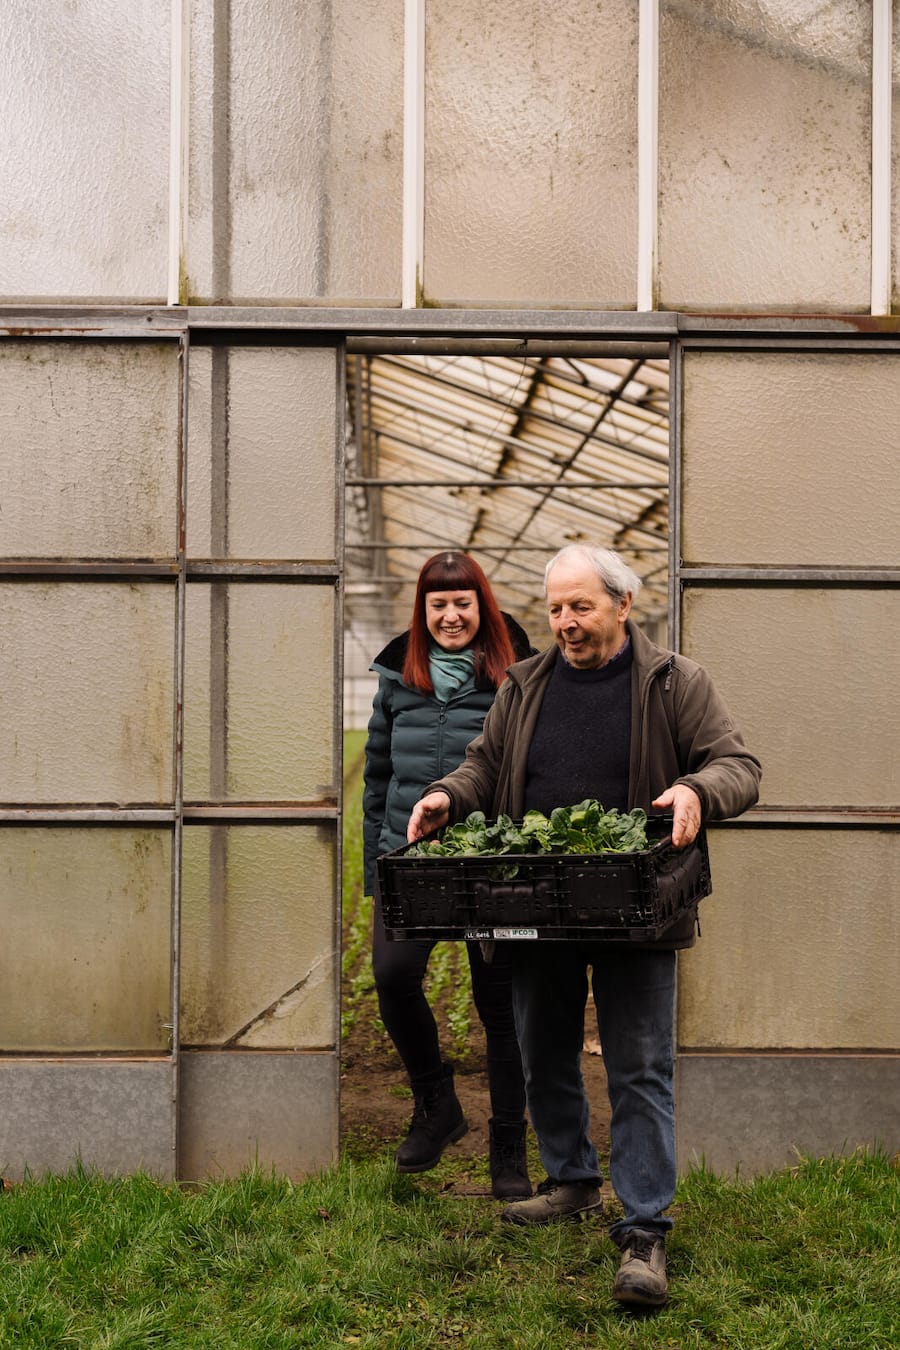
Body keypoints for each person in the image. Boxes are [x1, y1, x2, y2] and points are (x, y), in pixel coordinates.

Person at [408, 544, 761, 1307]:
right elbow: (483, 765)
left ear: (622, 605)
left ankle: (643, 1226)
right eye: (556, 608)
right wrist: (447, 796)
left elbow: (739, 765)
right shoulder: (527, 683)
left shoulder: (674, 682)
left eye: (581, 607)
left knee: (639, 1068)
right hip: (539, 901)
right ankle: (571, 1178)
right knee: (544, 1051)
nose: (565, 623)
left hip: (636, 903)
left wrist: (699, 789)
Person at [363, 550, 534, 1200]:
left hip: (489, 862)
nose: (451, 615)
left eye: (462, 601)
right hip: (410, 862)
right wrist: (377, 868)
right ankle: (438, 1106)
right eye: (439, 603)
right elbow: (377, 778)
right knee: (392, 976)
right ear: (423, 610)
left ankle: (508, 1145)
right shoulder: (398, 679)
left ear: (481, 606)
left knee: (499, 1006)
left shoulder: (512, 675)